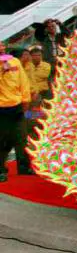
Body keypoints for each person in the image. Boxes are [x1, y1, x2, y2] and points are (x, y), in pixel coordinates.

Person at [0, 42, 33, 182]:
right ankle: (1, 170)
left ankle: (24, 167)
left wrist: (26, 100)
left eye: (2, 46)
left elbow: (23, 82)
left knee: (21, 138)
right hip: (1, 108)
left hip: (17, 106)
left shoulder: (14, 61)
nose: (2, 48)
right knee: (2, 141)